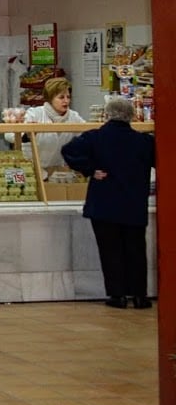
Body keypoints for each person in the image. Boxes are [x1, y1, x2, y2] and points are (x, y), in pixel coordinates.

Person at [62, 97, 156, 309]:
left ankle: (117, 295)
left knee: (110, 251)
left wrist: (90, 169)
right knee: (136, 250)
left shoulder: (94, 138)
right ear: (131, 116)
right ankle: (140, 295)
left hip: (104, 204)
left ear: (107, 115)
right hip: (134, 203)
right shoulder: (144, 141)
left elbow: (68, 151)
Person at [7, 76, 87, 169]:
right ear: (50, 98)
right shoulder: (35, 113)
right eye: (61, 97)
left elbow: (87, 135)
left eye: (68, 97)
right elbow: (9, 135)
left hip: (57, 172)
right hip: (32, 170)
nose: (66, 101)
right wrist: (27, 135)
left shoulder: (74, 117)